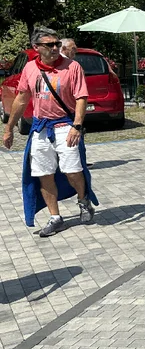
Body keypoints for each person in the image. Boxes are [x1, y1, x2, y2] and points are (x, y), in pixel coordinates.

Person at [3, 27, 98, 236]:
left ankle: (83, 200)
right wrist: (9, 128)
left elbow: (81, 97)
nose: (55, 48)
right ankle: (55, 217)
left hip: (65, 125)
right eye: (50, 45)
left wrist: (77, 125)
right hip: (41, 128)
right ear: (36, 47)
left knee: (72, 170)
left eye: (57, 44)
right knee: (43, 173)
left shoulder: (72, 66)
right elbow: (21, 99)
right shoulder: (30, 68)